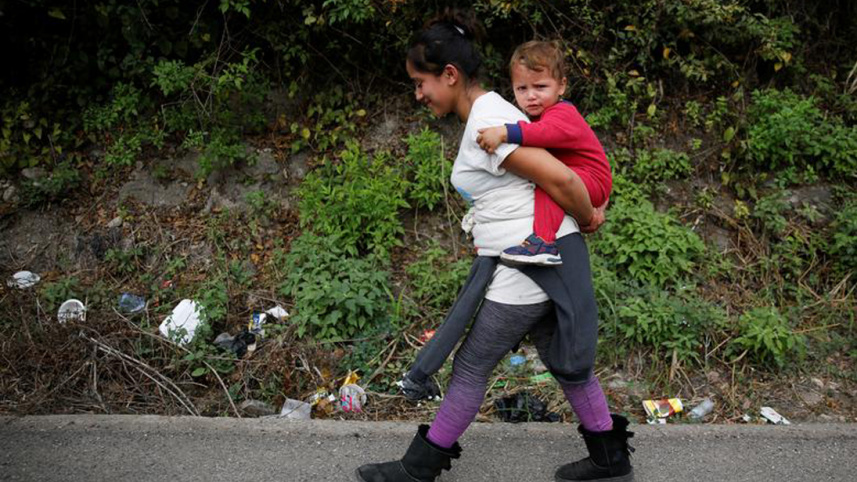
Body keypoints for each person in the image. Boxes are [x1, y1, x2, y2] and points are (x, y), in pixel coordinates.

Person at [355, 11, 634, 482]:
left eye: (421, 82)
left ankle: (418, 469)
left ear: (450, 75)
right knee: (565, 364)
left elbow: (561, 177)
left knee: (470, 364)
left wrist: (588, 217)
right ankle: (610, 460)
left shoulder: (491, 118)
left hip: (530, 264)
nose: (418, 94)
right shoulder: (490, 116)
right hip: (534, 261)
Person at [476, 40, 612, 267]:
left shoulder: (562, 113)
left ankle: (543, 241)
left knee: (548, 181)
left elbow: (542, 133)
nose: (530, 96)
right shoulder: (540, 116)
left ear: (561, 86)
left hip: (592, 179)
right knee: (548, 176)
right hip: (587, 177)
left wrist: (504, 132)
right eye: (522, 88)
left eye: (540, 87)